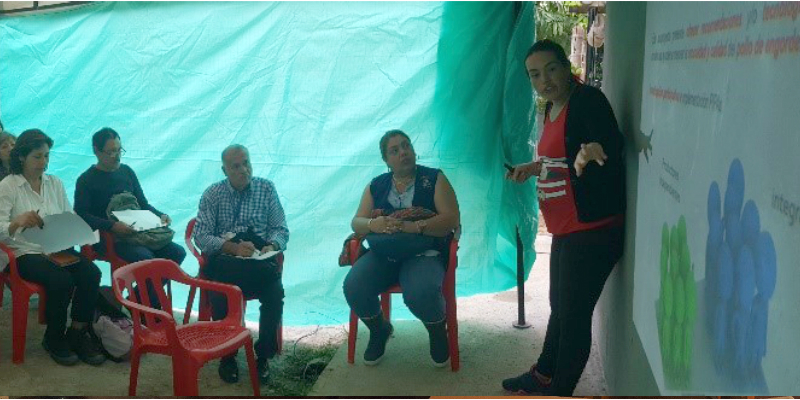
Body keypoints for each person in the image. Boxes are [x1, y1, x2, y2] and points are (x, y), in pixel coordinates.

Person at [503, 39, 626, 396]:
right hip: (565, 229)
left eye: (551, 69)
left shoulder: (587, 100)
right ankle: (543, 374)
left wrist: (595, 148)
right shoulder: (550, 108)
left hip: (593, 230)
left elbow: (611, 142)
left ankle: (559, 389)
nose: (544, 80)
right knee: (560, 305)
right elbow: (559, 157)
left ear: (566, 67)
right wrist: (532, 167)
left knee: (573, 317)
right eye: (535, 75)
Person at [343, 129, 460, 367]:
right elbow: (357, 222)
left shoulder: (434, 178)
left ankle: (437, 330)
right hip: (385, 253)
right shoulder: (377, 185)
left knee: (420, 292)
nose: (403, 152)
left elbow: (451, 220)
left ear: (414, 151)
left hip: (423, 253)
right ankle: (379, 330)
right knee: (354, 286)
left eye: (406, 146)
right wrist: (373, 224)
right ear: (386, 160)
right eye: (394, 150)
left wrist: (412, 227)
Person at [0, 129, 106, 366]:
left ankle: (77, 333)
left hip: (56, 247)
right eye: (37, 157)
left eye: (47, 156)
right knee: (61, 281)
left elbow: (67, 215)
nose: (44, 162)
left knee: (91, 273)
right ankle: (54, 338)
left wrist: (75, 231)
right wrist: (15, 223)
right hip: (23, 252)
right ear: (21, 158)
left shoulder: (54, 183)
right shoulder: (8, 186)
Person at [193, 144, 289, 386]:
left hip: (258, 262)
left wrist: (272, 246)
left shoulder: (266, 189)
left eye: (246, 162)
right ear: (224, 170)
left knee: (275, 294)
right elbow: (201, 236)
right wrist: (233, 248)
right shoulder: (213, 194)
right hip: (227, 262)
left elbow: (281, 229)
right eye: (235, 166)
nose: (243, 170)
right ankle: (228, 355)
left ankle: (264, 356)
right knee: (221, 289)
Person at [74, 127, 186, 277]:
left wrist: (160, 216)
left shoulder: (126, 172)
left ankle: (140, 298)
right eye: (111, 152)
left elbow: (143, 205)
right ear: (97, 151)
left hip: (137, 233)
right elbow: (82, 214)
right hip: (109, 238)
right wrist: (112, 226)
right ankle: (145, 299)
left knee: (177, 253)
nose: (117, 156)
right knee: (147, 259)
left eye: (119, 150)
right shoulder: (86, 180)